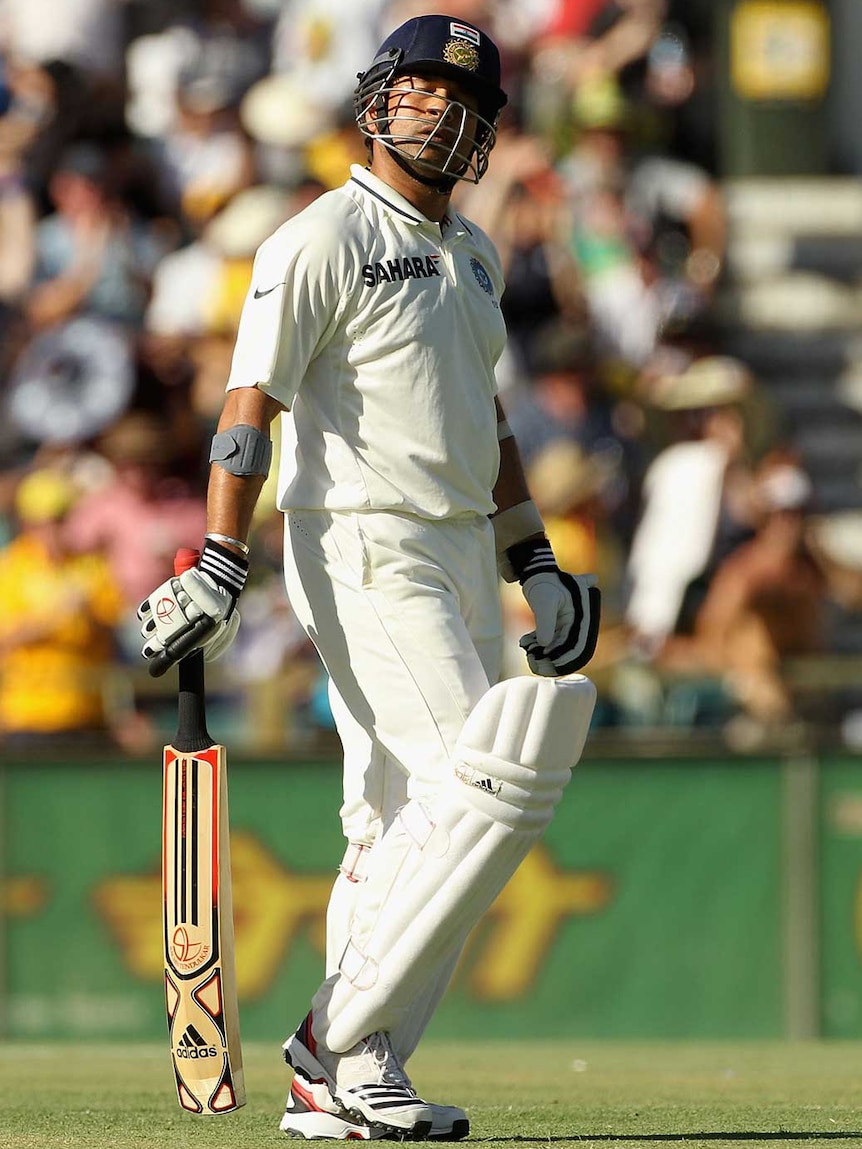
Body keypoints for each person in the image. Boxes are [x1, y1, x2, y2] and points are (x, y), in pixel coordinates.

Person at [137, 14, 600, 1141]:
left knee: (393, 820)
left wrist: (530, 555)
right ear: (380, 95)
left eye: (467, 98)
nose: (442, 108)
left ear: (488, 131)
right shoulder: (321, 236)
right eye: (424, 86)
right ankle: (330, 1041)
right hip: (359, 537)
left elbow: (483, 420)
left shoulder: (477, 254)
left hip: (453, 548)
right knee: (477, 784)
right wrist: (216, 556)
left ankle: (354, 1076)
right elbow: (252, 404)